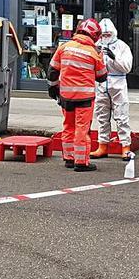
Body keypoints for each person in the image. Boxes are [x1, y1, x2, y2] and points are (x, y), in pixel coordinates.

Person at [48, 19, 107, 172]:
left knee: (68, 126)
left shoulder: (64, 47)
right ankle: (81, 162)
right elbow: (102, 77)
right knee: (82, 129)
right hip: (84, 98)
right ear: (94, 35)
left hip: (66, 96)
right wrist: (102, 57)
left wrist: (53, 88)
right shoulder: (93, 53)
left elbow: (53, 70)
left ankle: (69, 158)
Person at [90, 19, 134, 160]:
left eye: (107, 34)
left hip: (118, 84)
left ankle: (125, 147)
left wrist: (114, 58)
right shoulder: (96, 46)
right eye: (103, 34)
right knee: (102, 117)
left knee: (122, 116)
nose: (105, 37)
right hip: (101, 84)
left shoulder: (122, 46)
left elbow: (127, 67)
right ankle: (102, 145)